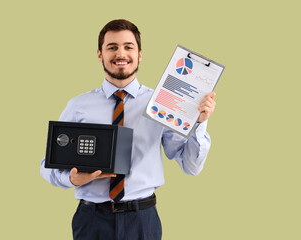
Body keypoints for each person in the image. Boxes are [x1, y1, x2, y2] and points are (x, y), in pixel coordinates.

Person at [40, 19, 216, 240]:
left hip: (142, 219)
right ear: (99, 54)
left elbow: (190, 166)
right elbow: (46, 165)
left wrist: (199, 123)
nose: (120, 53)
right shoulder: (78, 106)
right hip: (91, 219)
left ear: (140, 54)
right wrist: (72, 180)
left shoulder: (162, 104)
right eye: (112, 47)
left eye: (128, 47)